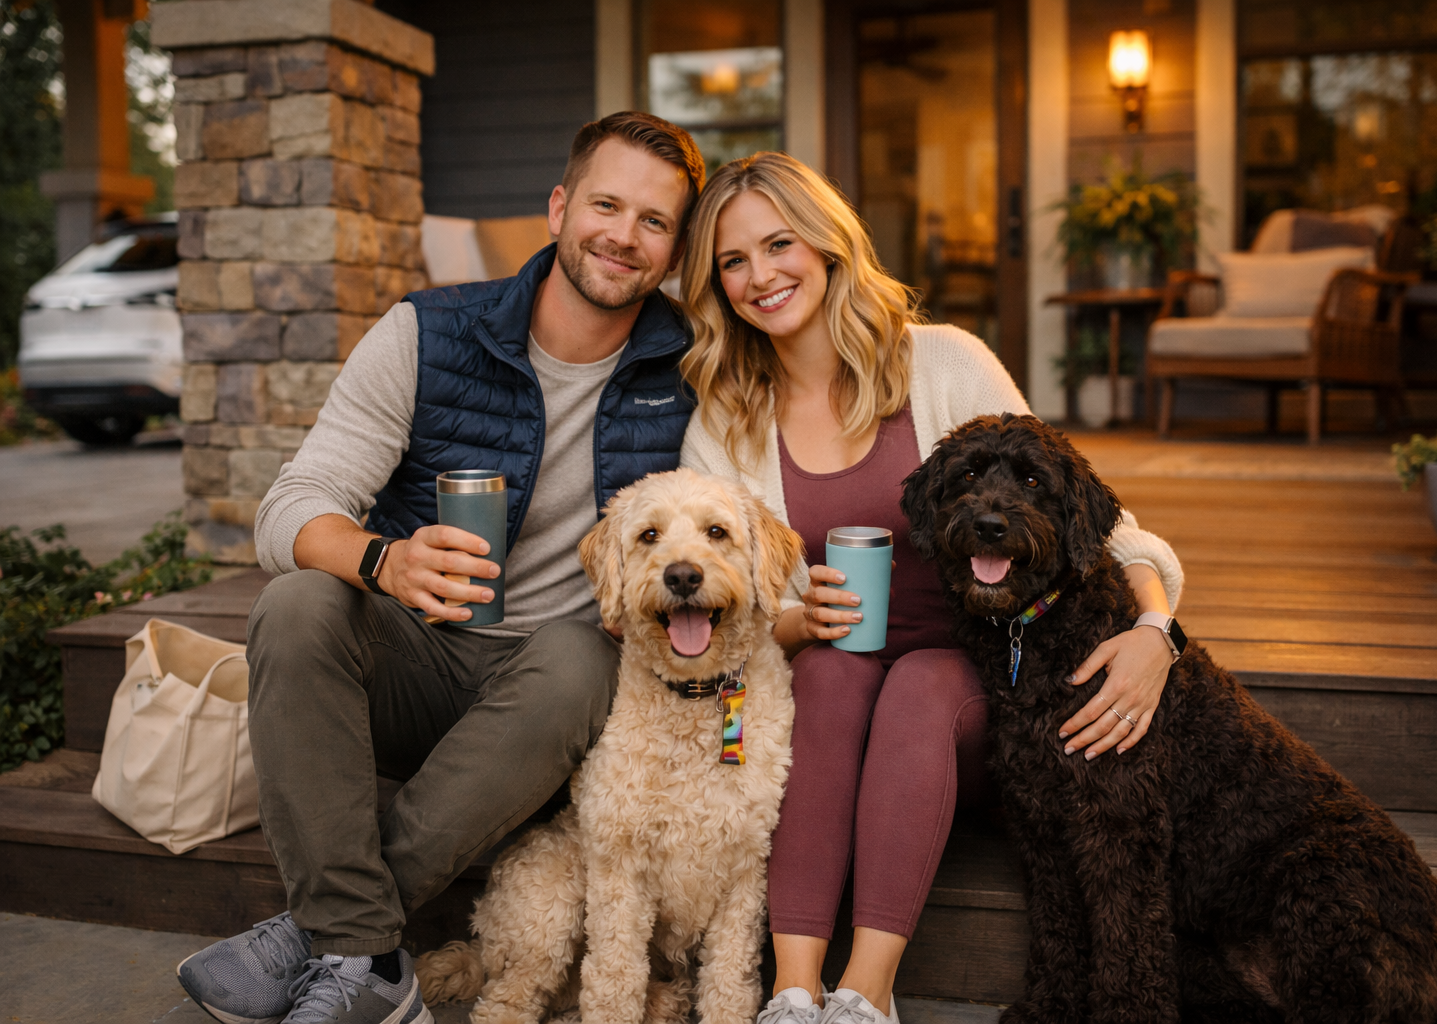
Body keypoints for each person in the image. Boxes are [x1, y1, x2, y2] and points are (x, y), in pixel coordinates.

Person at [174, 112, 707, 1024]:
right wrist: (384, 560)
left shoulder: (694, 362)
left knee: (583, 657)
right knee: (299, 602)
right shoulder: (427, 334)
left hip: (557, 693)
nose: (623, 235)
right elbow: (288, 511)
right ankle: (364, 949)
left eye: (653, 222)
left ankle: (334, 941)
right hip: (415, 659)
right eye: (605, 204)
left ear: (674, 250)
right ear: (558, 207)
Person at [676, 152, 1186, 1024]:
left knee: (920, 682)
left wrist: (1155, 629)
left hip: (980, 691)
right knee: (833, 672)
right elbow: (715, 613)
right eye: (733, 261)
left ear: (829, 247)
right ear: (715, 283)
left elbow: (1091, 515)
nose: (761, 276)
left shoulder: (942, 364)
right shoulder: (725, 417)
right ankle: (794, 993)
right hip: (828, 689)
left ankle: (866, 994)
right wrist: (796, 622)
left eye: (780, 244)